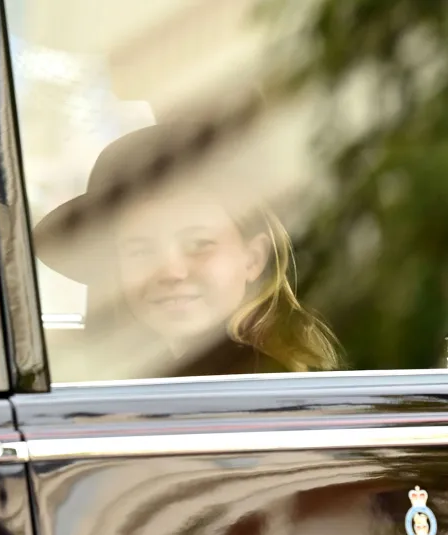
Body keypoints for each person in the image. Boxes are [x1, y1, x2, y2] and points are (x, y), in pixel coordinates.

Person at [33, 123, 342, 380]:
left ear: (253, 258)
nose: (172, 271)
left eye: (199, 245)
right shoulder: (118, 382)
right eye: (140, 250)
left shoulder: (281, 389)